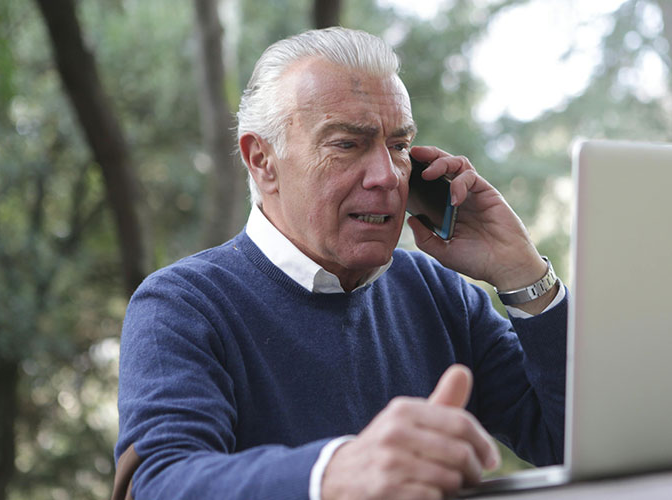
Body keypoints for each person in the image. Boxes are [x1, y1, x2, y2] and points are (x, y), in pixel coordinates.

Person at [112, 27, 567, 500]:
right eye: (347, 144)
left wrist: (523, 274)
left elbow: (573, 440)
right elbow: (159, 483)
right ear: (262, 160)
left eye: (398, 146)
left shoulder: (438, 294)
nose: (388, 176)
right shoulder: (183, 305)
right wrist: (331, 475)